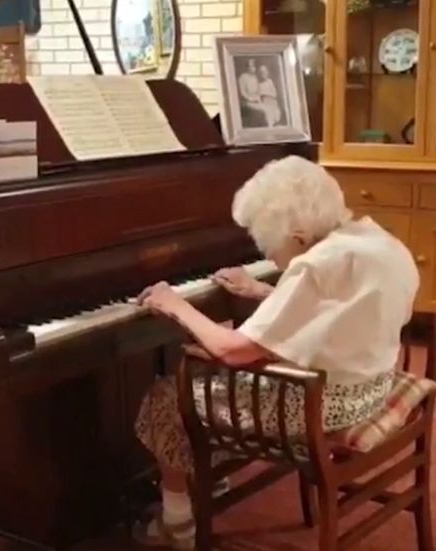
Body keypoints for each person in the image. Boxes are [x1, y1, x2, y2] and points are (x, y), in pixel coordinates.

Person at [132, 155, 420, 549]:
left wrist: (175, 304)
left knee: (167, 396)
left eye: (269, 245)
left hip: (321, 406)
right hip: (370, 388)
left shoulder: (315, 265)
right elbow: (335, 307)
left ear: (298, 237)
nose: (269, 257)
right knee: (209, 383)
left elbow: (233, 350)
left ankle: (176, 522)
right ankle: (208, 478)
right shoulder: (374, 240)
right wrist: (261, 291)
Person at [237, 58, 267, 127]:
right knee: (262, 111)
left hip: (256, 101)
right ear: (247, 67)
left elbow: (258, 92)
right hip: (246, 102)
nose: (252, 68)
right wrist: (251, 99)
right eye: (250, 66)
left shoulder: (255, 78)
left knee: (268, 109)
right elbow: (242, 93)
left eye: (253, 66)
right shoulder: (242, 78)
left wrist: (258, 99)